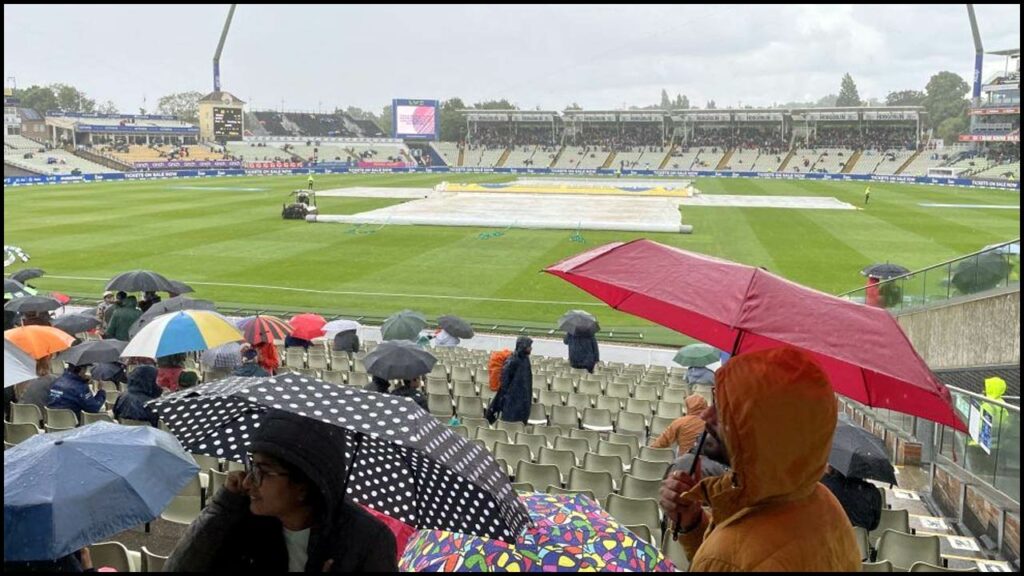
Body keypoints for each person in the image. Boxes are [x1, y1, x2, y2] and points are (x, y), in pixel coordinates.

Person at [659, 346, 861, 571]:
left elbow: (729, 561)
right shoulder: (826, 504)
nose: (706, 415)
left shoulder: (726, 557)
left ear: (761, 431)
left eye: (728, 410)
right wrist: (693, 522)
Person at [165, 409, 398, 572]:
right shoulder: (242, 515)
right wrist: (222, 507)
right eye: (251, 467)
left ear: (304, 486)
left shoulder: (366, 540)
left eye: (263, 471)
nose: (248, 482)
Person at [485, 336, 532, 425]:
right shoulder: (513, 360)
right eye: (529, 346)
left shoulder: (525, 360)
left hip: (523, 398)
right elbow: (505, 382)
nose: (530, 348)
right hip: (512, 399)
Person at [820, 465, 882, 531]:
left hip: (831, 538)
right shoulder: (872, 492)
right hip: (859, 539)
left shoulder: (826, 486)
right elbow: (874, 525)